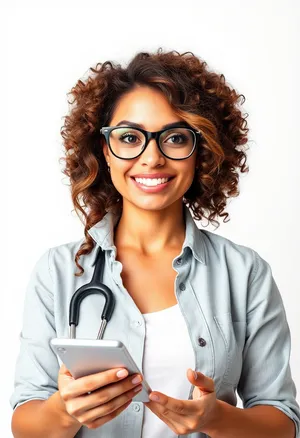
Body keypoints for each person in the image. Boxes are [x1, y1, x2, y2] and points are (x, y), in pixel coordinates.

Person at [10, 48, 300, 438]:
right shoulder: (59, 272)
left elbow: (282, 423)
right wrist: (66, 411)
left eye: (175, 138)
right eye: (129, 137)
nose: (151, 158)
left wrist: (215, 418)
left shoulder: (244, 273)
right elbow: (24, 422)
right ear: (104, 152)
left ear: (203, 152)